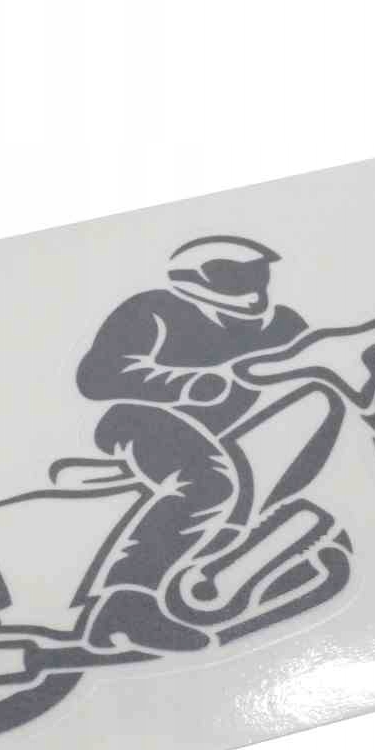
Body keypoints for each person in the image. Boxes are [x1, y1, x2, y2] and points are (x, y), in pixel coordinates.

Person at [76, 235, 307, 652]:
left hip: (230, 431)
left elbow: (317, 355)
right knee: (206, 480)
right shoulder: (152, 309)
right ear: (195, 278)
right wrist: (187, 383)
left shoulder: (283, 324)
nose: (249, 284)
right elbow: (98, 375)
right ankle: (125, 605)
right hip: (142, 421)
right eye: (233, 275)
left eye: (255, 273)